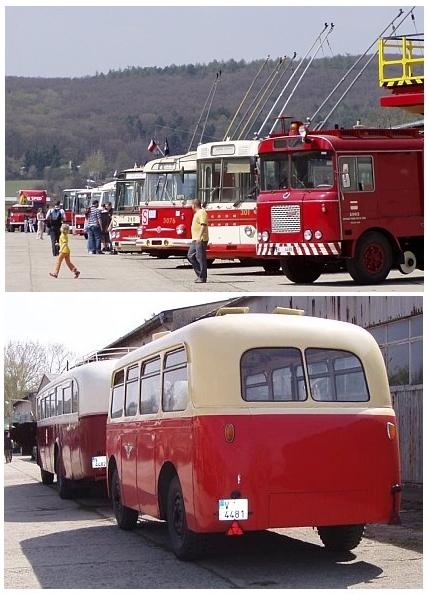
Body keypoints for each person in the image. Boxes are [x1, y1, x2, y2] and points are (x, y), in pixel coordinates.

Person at [187, 198, 209, 283]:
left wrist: (199, 237)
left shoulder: (202, 212)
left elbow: (203, 225)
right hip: (195, 239)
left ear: (194, 205)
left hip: (200, 239)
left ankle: (202, 277)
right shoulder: (197, 213)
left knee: (201, 258)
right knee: (190, 255)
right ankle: (200, 273)